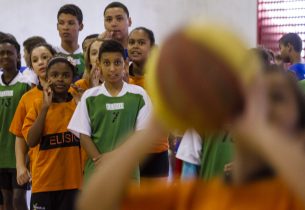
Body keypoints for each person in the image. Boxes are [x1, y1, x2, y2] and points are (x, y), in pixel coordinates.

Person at [77, 64, 305, 210]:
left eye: (276, 97)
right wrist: (156, 126)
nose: (261, 105)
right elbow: (95, 202)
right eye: (252, 97)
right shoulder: (200, 195)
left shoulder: (289, 194)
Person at [68, 40, 152, 183]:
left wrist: (112, 158)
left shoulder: (139, 95)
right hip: (97, 172)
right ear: (99, 64)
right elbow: (83, 134)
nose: (112, 69)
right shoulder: (90, 96)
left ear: (125, 64)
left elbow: (142, 136)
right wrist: (99, 160)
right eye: (106, 63)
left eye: (117, 63)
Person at [22, 56, 83, 210]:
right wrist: (45, 107)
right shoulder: (37, 105)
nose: (60, 79)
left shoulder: (78, 104)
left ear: (73, 78)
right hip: (44, 183)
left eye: (65, 75)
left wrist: (82, 106)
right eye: (55, 75)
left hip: (74, 183)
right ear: (47, 78)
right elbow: (31, 141)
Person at [9, 43, 56, 192]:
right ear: (31, 66)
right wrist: (20, 165)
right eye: (35, 60)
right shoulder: (27, 98)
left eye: (45, 57)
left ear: (54, 59)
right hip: (40, 171)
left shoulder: (71, 92)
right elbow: (19, 136)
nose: (41, 62)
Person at [128, 27, 169, 179]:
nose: (135, 46)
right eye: (131, 42)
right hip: (129, 152)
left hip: (156, 151)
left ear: (151, 48)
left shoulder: (161, 77)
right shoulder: (120, 78)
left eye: (141, 42)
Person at [0, 38, 31, 210]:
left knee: (19, 198)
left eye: (9, 53)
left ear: (18, 55)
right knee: (6, 200)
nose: (5, 56)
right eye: (1, 53)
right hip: (1, 154)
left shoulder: (25, 85)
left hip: (20, 154)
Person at [56, 4, 85, 81]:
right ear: (57, 26)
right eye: (61, 23)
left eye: (71, 23)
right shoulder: (51, 56)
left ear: (81, 26)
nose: (65, 27)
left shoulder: (88, 57)